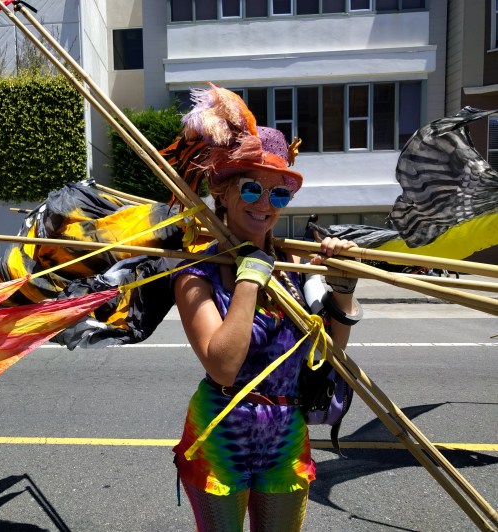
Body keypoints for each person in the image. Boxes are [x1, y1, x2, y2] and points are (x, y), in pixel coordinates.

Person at [163, 85, 361, 531]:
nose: (265, 204)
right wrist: (251, 277)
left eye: (280, 194)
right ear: (224, 193)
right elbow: (223, 366)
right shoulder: (197, 274)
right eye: (252, 188)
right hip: (221, 434)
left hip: (285, 433)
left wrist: (343, 288)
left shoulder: (292, 267)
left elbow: (327, 355)